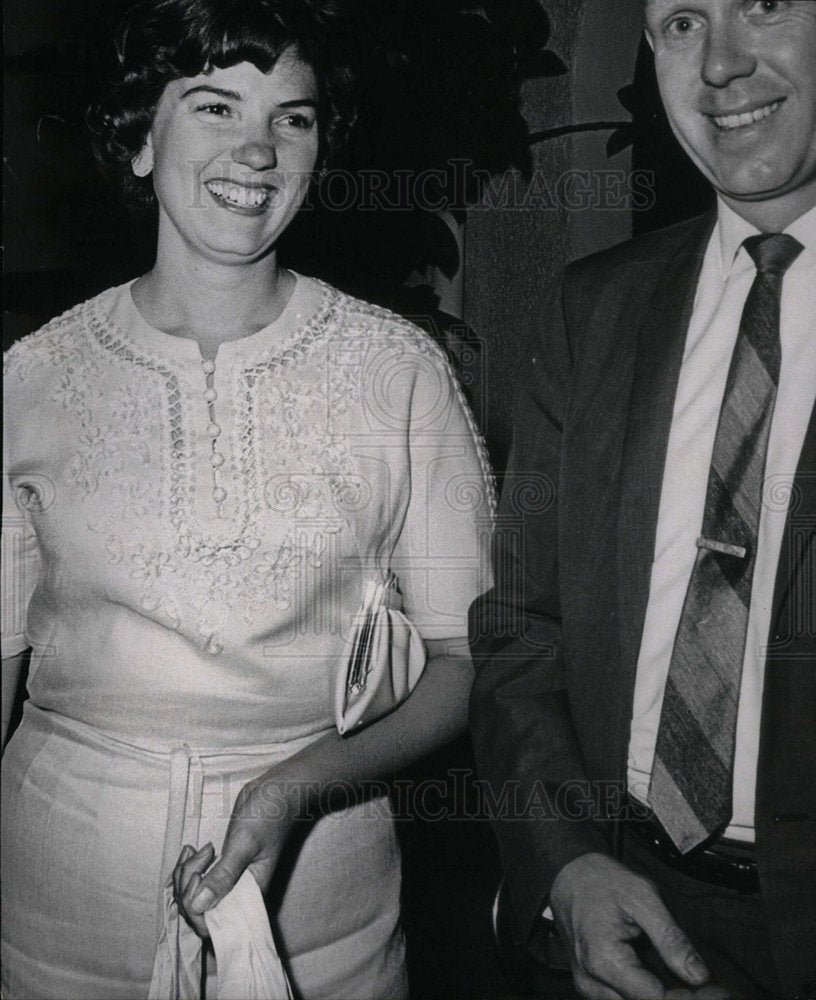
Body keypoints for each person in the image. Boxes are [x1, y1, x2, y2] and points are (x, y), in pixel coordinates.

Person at [0, 1, 494, 997]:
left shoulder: (399, 371)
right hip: (61, 919)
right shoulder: (30, 379)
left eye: (293, 118)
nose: (258, 150)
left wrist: (297, 781)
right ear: (141, 139)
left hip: (327, 926)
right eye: (217, 107)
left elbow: (468, 661)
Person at [469, 1, 815, 998]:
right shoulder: (595, 309)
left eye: (764, 4)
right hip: (621, 909)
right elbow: (520, 630)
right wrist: (565, 861)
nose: (722, 66)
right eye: (680, 23)